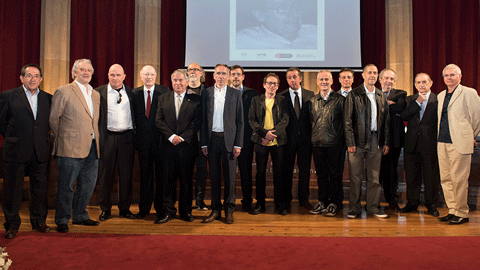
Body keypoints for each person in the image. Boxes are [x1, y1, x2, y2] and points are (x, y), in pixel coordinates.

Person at [0, 64, 52, 239]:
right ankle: (12, 225)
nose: (33, 79)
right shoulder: (8, 96)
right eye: (28, 75)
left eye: (36, 76)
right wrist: (12, 136)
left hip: (40, 150)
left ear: (41, 79)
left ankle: (39, 222)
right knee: (12, 190)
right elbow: (2, 122)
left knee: (39, 188)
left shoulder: (48, 98)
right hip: (15, 150)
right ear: (21, 78)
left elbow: (46, 124)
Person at [49, 59, 101, 233]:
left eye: (89, 70)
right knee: (67, 185)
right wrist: (64, 138)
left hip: (93, 147)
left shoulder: (95, 94)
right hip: (70, 146)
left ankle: (80, 215)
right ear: (74, 72)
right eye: (82, 70)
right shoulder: (63, 91)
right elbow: (53, 119)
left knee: (88, 185)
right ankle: (62, 219)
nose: (86, 73)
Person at [155, 69, 202, 224]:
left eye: (181, 80)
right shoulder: (163, 98)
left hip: (186, 148)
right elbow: (159, 121)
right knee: (167, 181)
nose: (178, 83)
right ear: (171, 82)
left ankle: (186, 212)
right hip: (167, 147)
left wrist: (181, 137)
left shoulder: (195, 99)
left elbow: (196, 123)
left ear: (187, 82)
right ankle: (168, 212)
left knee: (186, 182)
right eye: (175, 80)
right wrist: (171, 136)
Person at [344, 64, 390, 219]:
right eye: (369, 72)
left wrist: (386, 141)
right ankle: (354, 209)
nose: (372, 75)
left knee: (374, 177)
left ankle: (373, 207)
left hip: (376, 140)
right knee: (356, 177)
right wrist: (350, 142)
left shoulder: (380, 95)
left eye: (375, 73)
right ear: (363, 75)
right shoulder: (354, 94)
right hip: (357, 142)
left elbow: (386, 122)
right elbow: (347, 121)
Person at [436, 64, 480, 225]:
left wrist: (470, 135)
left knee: (459, 180)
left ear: (460, 76)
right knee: (446, 179)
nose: (449, 78)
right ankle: (453, 210)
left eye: (452, 75)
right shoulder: (441, 95)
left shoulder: (468, 93)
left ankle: (462, 212)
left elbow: (477, 117)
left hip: (459, 143)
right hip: (442, 142)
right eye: (446, 75)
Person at [200, 64, 243, 224]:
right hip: (212, 141)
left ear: (229, 76)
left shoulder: (235, 94)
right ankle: (215, 210)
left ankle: (229, 211)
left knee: (230, 179)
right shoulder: (206, 93)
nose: (221, 76)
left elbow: (240, 121)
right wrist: (203, 143)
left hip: (229, 141)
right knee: (214, 178)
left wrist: (238, 144)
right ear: (214, 76)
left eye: (224, 73)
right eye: (218, 73)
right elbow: (203, 120)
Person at [95, 64, 136, 221]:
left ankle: (125, 209)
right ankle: (105, 209)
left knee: (126, 175)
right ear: (107, 75)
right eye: (112, 75)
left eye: (118, 75)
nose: (115, 78)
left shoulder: (132, 93)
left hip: (127, 138)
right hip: (108, 138)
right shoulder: (98, 93)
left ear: (124, 76)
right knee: (106, 175)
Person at [131, 65, 169, 219]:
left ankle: (161, 210)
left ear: (156, 76)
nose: (149, 77)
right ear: (141, 76)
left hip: (160, 143)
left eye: (152, 74)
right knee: (145, 177)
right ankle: (144, 209)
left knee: (161, 177)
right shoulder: (135, 93)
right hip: (142, 144)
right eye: (146, 74)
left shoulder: (164, 91)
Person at [248, 73, 288, 215]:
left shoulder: (283, 100)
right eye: (270, 83)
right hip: (261, 142)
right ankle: (260, 203)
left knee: (279, 174)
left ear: (278, 86)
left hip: (278, 142)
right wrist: (264, 134)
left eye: (275, 84)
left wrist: (272, 135)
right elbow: (252, 120)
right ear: (264, 84)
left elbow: (285, 120)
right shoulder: (255, 100)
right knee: (260, 174)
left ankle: (280, 204)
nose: (272, 86)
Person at [400, 73, 440, 216]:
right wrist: (417, 102)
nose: (421, 85)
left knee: (431, 176)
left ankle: (431, 204)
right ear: (415, 85)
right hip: (411, 144)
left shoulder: (438, 99)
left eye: (424, 82)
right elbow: (404, 116)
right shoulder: (410, 99)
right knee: (411, 176)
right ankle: (412, 202)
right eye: (418, 82)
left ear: (431, 82)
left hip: (430, 144)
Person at [309, 70, 345, 217]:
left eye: (326, 79)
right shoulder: (312, 100)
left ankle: (334, 203)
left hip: (335, 144)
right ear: (317, 82)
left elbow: (344, 123)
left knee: (335, 175)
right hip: (317, 144)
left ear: (332, 81)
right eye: (321, 79)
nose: (324, 82)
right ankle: (322, 201)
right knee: (321, 176)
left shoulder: (340, 99)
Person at [279, 67, 314, 213]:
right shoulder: (281, 96)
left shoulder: (310, 95)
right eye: (289, 77)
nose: (292, 80)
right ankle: (286, 200)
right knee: (286, 171)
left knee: (304, 171)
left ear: (300, 78)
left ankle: (304, 199)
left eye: (294, 77)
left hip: (305, 141)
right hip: (287, 141)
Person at [230, 65, 259, 212]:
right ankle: (228, 202)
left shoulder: (252, 93)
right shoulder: (223, 92)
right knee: (228, 173)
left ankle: (247, 201)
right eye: (233, 74)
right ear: (230, 76)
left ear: (243, 77)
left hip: (246, 139)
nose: (235, 77)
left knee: (246, 172)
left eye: (238, 74)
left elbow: (256, 116)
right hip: (227, 139)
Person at [236, 0, 317, 49]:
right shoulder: (242, 41)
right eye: (283, 8)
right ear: (260, 15)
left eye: (296, 7)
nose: (295, 15)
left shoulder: (316, 33)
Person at [378, 69, 406, 211]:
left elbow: (400, 108)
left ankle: (392, 201)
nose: (389, 81)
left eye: (392, 79)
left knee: (391, 172)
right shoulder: (373, 93)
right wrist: (388, 103)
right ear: (380, 79)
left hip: (393, 141)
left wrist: (384, 104)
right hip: (375, 140)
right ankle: (374, 202)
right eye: (386, 78)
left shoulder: (401, 94)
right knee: (375, 173)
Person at [186, 62, 208, 211]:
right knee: (185, 173)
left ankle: (200, 201)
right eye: (190, 70)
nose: (193, 72)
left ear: (201, 73)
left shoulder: (208, 92)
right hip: (185, 140)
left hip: (203, 140)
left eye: (196, 69)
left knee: (201, 172)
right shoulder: (180, 91)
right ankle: (186, 202)